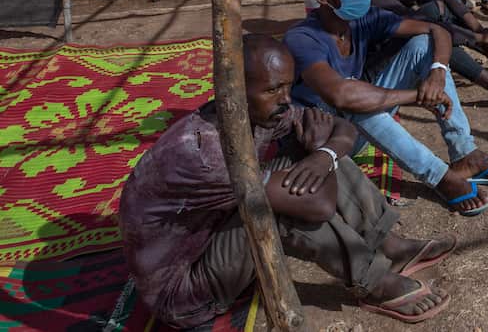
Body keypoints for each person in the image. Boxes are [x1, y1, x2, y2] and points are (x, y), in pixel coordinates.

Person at [120, 36, 459, 327]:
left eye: (287, 85)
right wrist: (320, 152)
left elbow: (341, 128)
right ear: (232, 88)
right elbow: (318, 206)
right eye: (273, 89)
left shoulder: (250, 111)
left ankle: (387, 244)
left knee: (314, 156)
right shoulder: (204, 154)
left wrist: (324, 154)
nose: (285, 98)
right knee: (277, 204)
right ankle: (375, 282)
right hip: (185, 292)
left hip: (213, 233)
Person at [285, 0, 488, 216]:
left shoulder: (362, 19)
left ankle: (465, 153)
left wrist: (437, 73)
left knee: (422, 44)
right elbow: (341, 96)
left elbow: (437, 29)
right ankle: (440, 178)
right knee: (357, 102)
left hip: (356, 126)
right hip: (324, 142)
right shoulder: (303, 38)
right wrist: (418, 95)